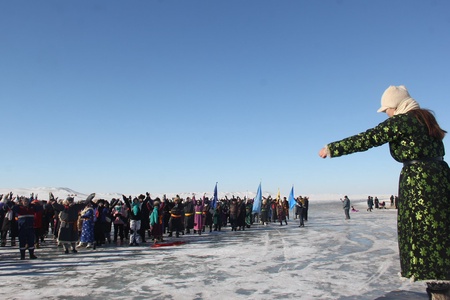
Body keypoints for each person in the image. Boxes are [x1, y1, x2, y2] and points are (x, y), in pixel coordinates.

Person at [318, 85, 450, 297]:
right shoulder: (426, 119)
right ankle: (441, 285)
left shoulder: (402, 121)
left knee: (423, 234)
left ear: (396, 105)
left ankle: (438, 292)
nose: (386, 113)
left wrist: (332, 148)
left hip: (419, 182)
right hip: (440, 178)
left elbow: (368, 138)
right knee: (440, 232)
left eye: (387, 109)